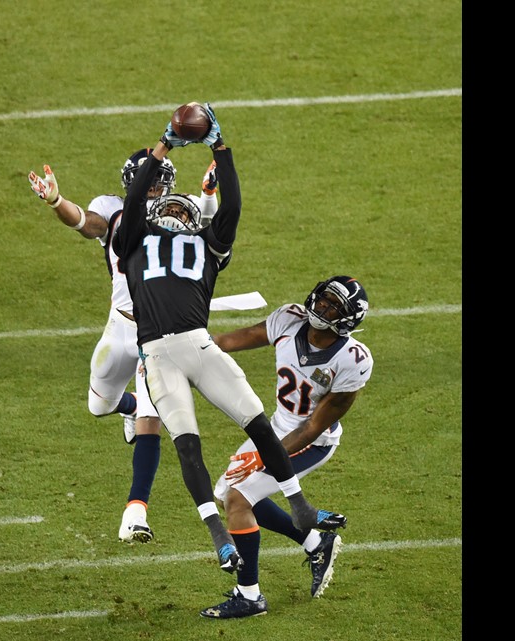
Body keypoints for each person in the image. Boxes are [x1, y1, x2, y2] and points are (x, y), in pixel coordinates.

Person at [112, 102, 347, 596]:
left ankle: (299, 505)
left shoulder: (208, 245)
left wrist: (221, 147)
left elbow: (233, 205)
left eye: (185, 209)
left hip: (197, 344)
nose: (178, 211)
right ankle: (217, 532)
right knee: (188, 445)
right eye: (170, 208)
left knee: (256, 421)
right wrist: (164, 146)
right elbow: (134, 201)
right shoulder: (134, 237)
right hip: (156, 354)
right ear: (157, 214)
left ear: (196, 219)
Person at [26, 151, 219, 543]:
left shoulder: (180, 210)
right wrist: (57, 202)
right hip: (120, 326)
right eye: (147, 183)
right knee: (99, 406)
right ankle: (127, 408)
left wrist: (210, 192)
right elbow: (86, 223)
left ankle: (135, 512)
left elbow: (213, 220)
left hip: (160, 331)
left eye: (159, 183)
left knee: (154, 420)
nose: (154, 190)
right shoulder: (114, 211)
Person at [200, 276, 372, 618]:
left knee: (237, 498)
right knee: (227, 492)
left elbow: (311, 428)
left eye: (333, 306)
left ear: (348, 319)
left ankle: (249, 596)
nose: (322, 307)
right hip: (275, 426)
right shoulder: (289, 319)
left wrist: (263, 455)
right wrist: (195, 349)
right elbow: (237, 338)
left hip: (313, 442)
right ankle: (315, 543)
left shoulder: (352, 359)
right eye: (323, 298)